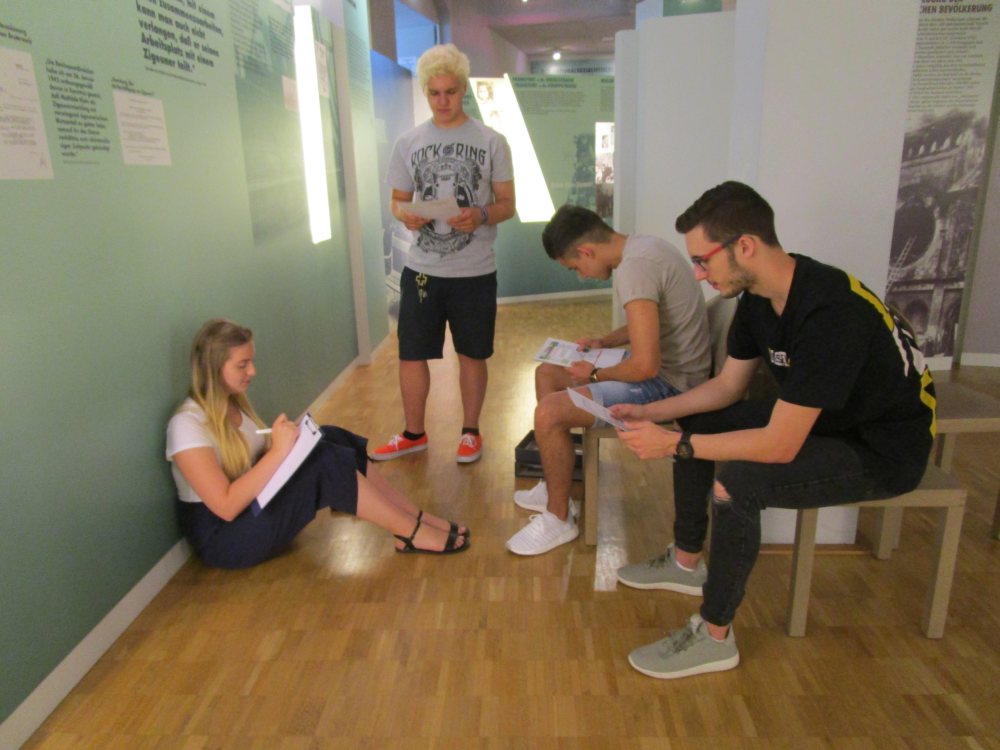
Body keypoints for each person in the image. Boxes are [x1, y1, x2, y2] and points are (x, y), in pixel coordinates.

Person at [611, 181, 936, 679]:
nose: (697, 274)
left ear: (744, 246)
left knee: (737, 484)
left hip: (881, 449)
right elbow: (727, 387)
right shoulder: (759, 298)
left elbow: (780, 445)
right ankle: (685, 561)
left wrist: (677, 445)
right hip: (822, 419)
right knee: (698, 422)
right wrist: (653, 413)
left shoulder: (831, 311)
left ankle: (714, 636)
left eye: (702, 261)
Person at [166, 319, 469, 569]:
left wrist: (288, 444)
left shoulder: (233, 405)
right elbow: (226, 506)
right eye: (242, 365)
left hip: (250, 513)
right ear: (214, 368)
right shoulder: (186, 426)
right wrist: (279, 452)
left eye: (251, 362)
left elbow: (250, 464)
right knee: (324, 463)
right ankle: (409, 532)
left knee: (329, 436)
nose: (252, 371)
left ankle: (414, 517)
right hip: (226, 540)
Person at [505, 205, 712, 555]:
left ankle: (558, 518)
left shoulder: (635, 268)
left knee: (549, 413)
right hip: (669, 370)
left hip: (672, 385)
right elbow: (651, 323)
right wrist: (605, 342)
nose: (581, 277)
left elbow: (645, 366)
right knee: (547, 373)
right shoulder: (642, 248)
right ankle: (558, 485)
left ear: (586, 251)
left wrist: (595, 372)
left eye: (576, 268)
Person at [373, 43, 515, 465]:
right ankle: (413, 433)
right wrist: (407, 215)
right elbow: (398, 201)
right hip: (422, 270)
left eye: (450, 92)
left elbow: (508, 204)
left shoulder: (492, 141)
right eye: (434, 93)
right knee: (412, 352)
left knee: (473, 353)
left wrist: (481, 214)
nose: (442, 101)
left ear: (463, 89)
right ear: (425, 92)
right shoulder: (409, 142)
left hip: (474, 270)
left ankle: (470, 432)